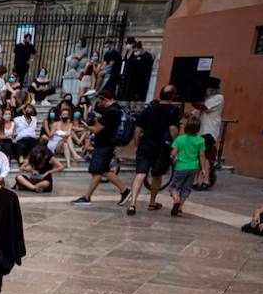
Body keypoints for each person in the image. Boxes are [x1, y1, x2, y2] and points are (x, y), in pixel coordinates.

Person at [125, 84, 181, 215]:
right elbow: (173, 129)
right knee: (157, 175)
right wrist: (174, 142)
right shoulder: (173, 110)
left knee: (140, 174)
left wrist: (137, 145)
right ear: (172, 97)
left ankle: (132, 203)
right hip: (162, 148)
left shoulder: (149, 109)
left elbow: (138, 129)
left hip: (145, 145)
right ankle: (152, 202)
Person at [71, 91, 133, 206]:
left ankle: (87, 197)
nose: (98, 104)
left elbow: (96, 130)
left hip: (104, 145)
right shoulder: (116, 109)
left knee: (97, 171)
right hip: (106, 144)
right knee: (104, 170)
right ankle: (125, 191)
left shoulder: (111, 112)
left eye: (99, 101)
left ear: (104, 99)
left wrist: (86, 127)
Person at [167, 116, 208, 218]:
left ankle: (176, 200)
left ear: (186, 127)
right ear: (198, 129)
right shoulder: (201, 140)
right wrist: (203, 168)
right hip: (193, 168)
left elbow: (173, 153)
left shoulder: (180, 139)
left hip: (181, 167)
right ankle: (180, 209)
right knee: (186, 188)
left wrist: (172, 157)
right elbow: (202, 156)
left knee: (174, 187)